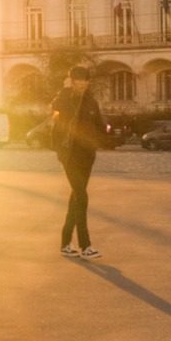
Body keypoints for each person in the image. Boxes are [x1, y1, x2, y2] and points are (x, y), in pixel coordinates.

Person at [48, 65, 107, 260]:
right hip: (69, 154)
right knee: (82, 196)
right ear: (71, 81)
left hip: (87, 154)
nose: (82, 83)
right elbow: (55, 107)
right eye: (78, 80)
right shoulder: (66, 99)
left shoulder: (91, 102)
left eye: (85, 80)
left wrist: (100, 137)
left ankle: (65, 243)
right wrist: (65, 89)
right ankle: (85, 245)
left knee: (76, 197)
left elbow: (99, 124)